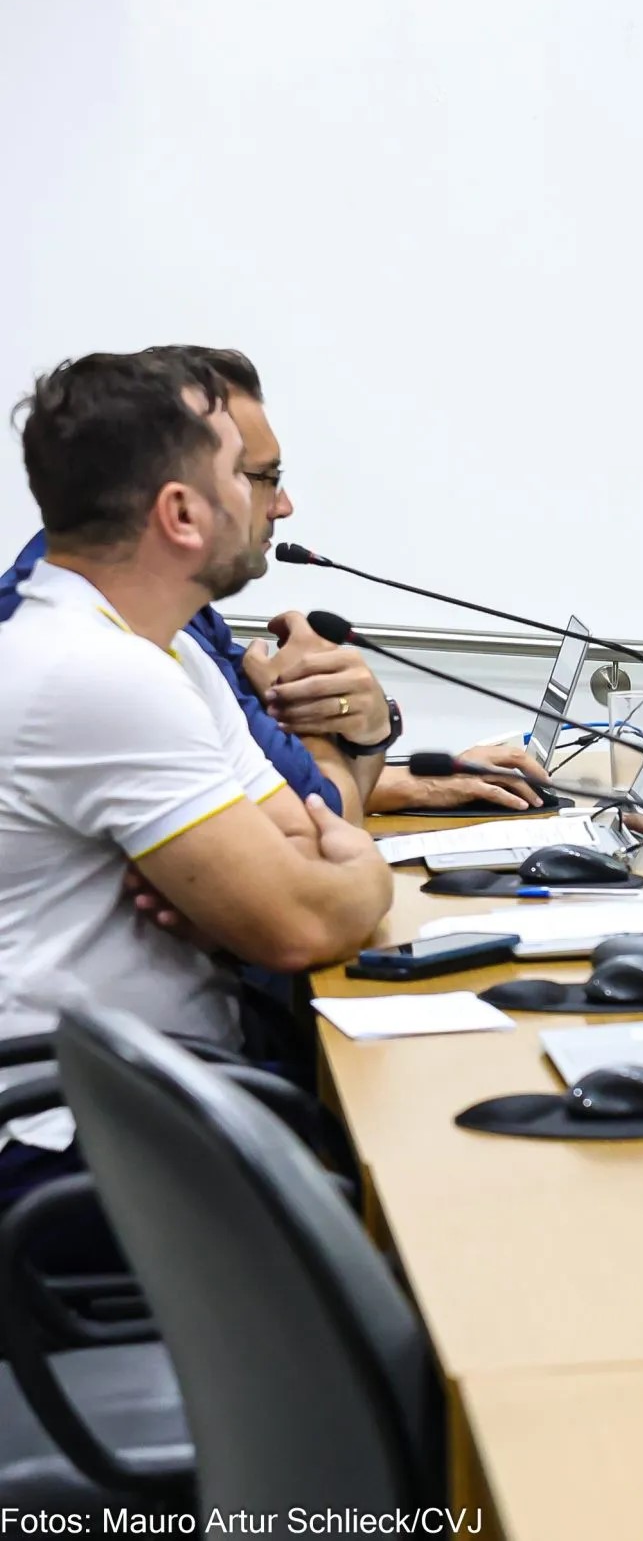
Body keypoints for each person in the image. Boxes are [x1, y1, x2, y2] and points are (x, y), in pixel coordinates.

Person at [0, 352, 394, 1049]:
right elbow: (300, 920)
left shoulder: (167, 652)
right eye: (247, 475)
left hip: (175, 1087)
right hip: (79, 1134)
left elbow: (298, 837)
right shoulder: (96, 671)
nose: (275, 504)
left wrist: (292, 885)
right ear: (182, 513)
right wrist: (365, 876)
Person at [0, 347, 552, 815]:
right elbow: (321, 826)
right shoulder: (100, 654)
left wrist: (397, 760)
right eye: (259, 477)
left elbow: (281, 789)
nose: (282, 506)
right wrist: (314, 717)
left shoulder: (174, 616)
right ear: (178, 499)